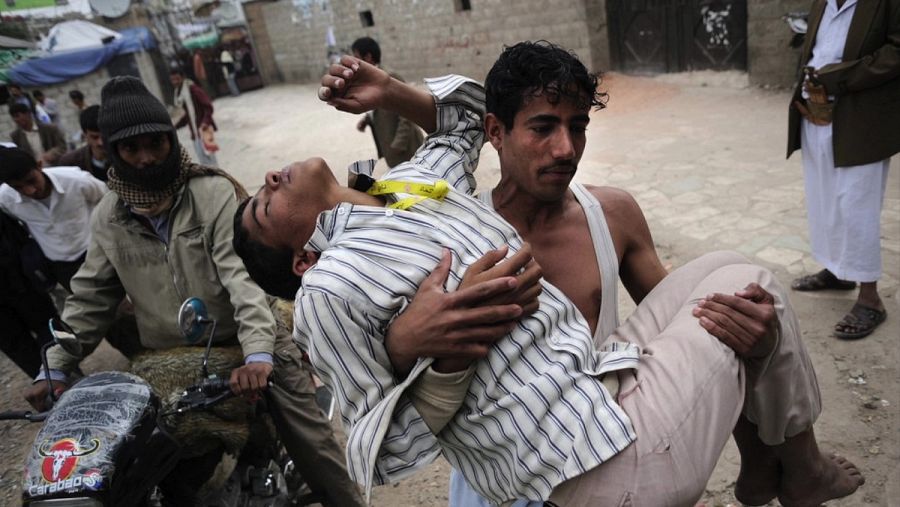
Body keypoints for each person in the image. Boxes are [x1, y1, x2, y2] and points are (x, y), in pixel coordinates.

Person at [233, 54, 864, 506]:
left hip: (606, 399)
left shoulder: (418, 191)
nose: (565, 149)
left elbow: (463, 113)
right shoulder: (328, 287)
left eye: (578, 126)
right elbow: (382, 446)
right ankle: (797, 470)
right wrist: (433, 353)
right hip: (569, 470)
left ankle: (769, 466)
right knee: (751, 283)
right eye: (542, 127)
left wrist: (391, 91)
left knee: (746, 282)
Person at [22, 76, 364, 507]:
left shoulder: (210, 192)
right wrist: (53, 368)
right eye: (131, 148)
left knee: (311, 441)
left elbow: (241, 280)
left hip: (246, 337)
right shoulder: (109, 215)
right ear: (113, 152)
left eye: (155, 144)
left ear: (170, 139)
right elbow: (89, 299)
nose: (146, 158)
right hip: (170, 363)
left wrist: (258, 354)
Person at [787, 0, 899, 340]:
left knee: (856, 204)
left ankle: (870, 298)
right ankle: (838, 270)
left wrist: (844, 77)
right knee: (823, 198)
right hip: (817, 111)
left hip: (861, 115)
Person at [0, 146, 106, 292]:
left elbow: (106, 200)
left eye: (31, 181)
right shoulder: (6, 199)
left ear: (39, 166)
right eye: (18, 187)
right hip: (61, 266)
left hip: (97, 254)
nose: (29, 191)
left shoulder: (75, 180)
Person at [0, 209, 59, 377]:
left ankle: (57, 382)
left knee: (45, 329)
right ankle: (55, 384)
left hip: (19, 280)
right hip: (18, 277)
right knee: (39, 332)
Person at [351, 37, 424, 168]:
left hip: (407, 148)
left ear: (368, 57)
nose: (354, 62)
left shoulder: (390, 77)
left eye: (356, 57)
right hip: (392, 146)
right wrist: (367, 119)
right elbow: (381, 105)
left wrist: (398, 144)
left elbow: (407, 111)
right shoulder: (368, 80)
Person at [170, 68, 219, 166]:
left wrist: (205, 121)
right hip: (195, 133)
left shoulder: (193, 89)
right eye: (172, 80)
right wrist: (174, 127)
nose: (175, 82)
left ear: (183, 78)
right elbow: (188, 116)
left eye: (177, 79)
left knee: (211, 160)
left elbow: (208, 107)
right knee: (203, 161)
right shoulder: (180, 94)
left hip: (203, 130)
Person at [58, 105, 110, 182]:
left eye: (104, 136)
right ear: (84, 135)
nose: (100, 142)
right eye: (94, 137)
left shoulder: (124, 156)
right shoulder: (70, 163)